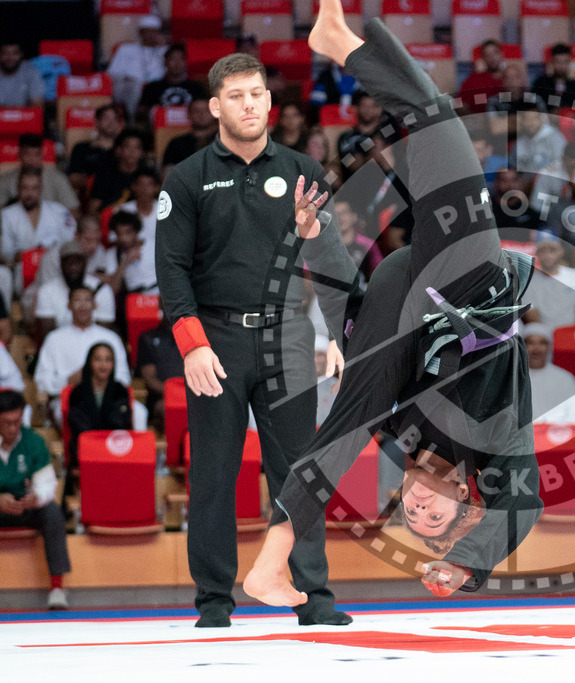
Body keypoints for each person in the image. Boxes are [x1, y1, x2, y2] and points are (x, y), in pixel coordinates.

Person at [243, 7, 541, 604]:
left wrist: (316, 233)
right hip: (468, 289)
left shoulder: (396, 437)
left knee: (351, 412)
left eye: (411, 513)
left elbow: (348, 317)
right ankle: (342, 43)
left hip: (398, 313)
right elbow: (524, 503)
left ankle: (269, 565)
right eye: (435, 517)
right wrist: (468, 561)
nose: (419, 505)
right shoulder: (493, 446)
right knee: (437, 124)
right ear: (463, 496)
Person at [155, 49, 356, 627]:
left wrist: (342, 328)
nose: (250, 104)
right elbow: (171, 268)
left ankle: (315, 599)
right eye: (237, 95)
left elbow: (330, 256)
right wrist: (191, 343)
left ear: (271, 100)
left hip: (289, 334)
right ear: (216, 106)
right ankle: (215, 603)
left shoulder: (303, 170)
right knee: (213, 474)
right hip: (215, 339)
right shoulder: (187, 176)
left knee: (299, 471)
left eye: (258, 94)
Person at [0, 390, 69, 610]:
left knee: (53, 512)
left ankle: (57, 588)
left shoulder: (34, 442)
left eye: (17, 422)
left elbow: (47, 484)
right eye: (6, 423)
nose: (12, 428)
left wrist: (35, 497)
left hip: (26, 506)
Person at [34, 287, 131, 426]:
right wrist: (68, 380)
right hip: (69, 398)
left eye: (87, 300)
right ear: (68, 305)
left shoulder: (111, 338)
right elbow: (42, 380)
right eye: (77, 300)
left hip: (108, 397)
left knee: (138, 412)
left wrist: (100, 379)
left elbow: (124, 377)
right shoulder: (54, 339)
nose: (83, 306)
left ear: (95, 305)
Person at [66, 342, 133, 467]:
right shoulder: (77, 392)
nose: (103, 365)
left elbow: (122, 424)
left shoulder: (120, 391)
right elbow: (78, 425)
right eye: (98, 359)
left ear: (113, 364)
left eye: (108, 360)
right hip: (86, 450)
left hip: (114, 451)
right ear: (90, 363)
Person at [35, 241, 117, 341]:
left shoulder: (102, 290)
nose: (73, 267)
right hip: (60, 349)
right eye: (68, 262)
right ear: (61, 264)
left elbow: (103, 335)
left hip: (95, 350)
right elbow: (48, 336)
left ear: (85, 262)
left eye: (77, 262)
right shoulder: (47, 291)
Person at [0, 167, 76, 265]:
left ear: (41, 189)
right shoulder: (6, 215)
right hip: (22, 270)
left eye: (34, 188)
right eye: (25, 188)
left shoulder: (59, 211)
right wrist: (30, 254)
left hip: (55, 268)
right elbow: (6, 252)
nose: (29, 193)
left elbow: (70, 242)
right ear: (18, 189)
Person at [521, 233, 575, 327]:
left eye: (552, 250)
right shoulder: (528, 281)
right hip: (543, 335)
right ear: (536, 253)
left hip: (570, 331)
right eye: (542, 251)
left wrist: (574, 334)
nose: (547, 255)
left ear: (561, 251)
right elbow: (533, 316)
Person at [523, 324, 575, 423]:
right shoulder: (511, 378)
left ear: (549, 347)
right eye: (531, 343)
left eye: (542, 343)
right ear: (522, 347)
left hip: (558, 435)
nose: (536, 349)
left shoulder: (565, 378)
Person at [106, 15, 168, 118]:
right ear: (141, 33)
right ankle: (132, 120)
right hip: (130, 87)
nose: (152, 35)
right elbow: (112, 74)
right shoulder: (125, 49)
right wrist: (131, 80)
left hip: (155, 87)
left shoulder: (165, 51)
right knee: (134, 87)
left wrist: (163, 49)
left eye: (155, 32)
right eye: (148, 32)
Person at [0, 134, 79, 212]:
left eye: (36, 155)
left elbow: (72, 209)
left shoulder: (57, 178)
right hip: (15, 223)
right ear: (19, 155)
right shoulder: (5, 180)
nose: (32, 159)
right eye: (27, 154)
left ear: (41, 155)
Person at [135, 316, 183, 432]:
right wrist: (175, 394)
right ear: (162, 307)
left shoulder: (197, 336)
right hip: (160, 397)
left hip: (192, 396)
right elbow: (149, 379)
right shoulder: (148, 338)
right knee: (165, 408)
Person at [138, 43, 207, 123]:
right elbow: (141, 113)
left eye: (181, 59)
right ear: (165, 62)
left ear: (186, 63)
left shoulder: (196, 87)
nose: (177, 63)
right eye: (173, 59)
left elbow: (204, 111)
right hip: (160, 129)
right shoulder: (152, 87)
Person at [67, 105, 123, 196]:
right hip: (89, 195)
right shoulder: (81, 148)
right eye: (106, 118)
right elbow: (73, 177)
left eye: (115, 119)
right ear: (97, 122)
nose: (111, 122)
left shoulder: (124, 151)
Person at [88, 129, 149, 213]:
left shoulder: (147, 176)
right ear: (118, 150)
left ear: (142, 153)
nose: (132, 152)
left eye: (137, 148)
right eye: (127, 147)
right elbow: (93, 208)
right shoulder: (105, 175)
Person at [531, 43, 575, 108]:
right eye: (558, 61)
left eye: (565, 61)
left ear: (570, 62)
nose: (562, 66)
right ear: (552, 62)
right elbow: (530, 103)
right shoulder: (541, 83)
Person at [509, 103, 567, 176]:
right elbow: (513, 167)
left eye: (534, 118)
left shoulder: (555, 137)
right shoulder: (520, 142)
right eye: (526, 119)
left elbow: (563, 163)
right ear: (522, 121)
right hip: (526, 182)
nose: (531, 123)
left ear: (541, 119)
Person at [162, 98, 217, 170]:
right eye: (196, 111)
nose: (202, 114)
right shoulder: (177, 143)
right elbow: (166, 174)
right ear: (188, 115)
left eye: (207, 110)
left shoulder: (225, 141)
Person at [335, 90, 385, 160]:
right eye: (364, 105)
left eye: (372, 106)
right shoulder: (346, 137)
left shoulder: (386, 132)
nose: (368, 110)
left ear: (378, 109)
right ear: (356, 108)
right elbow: (350, 165)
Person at [457, 40, 505, 113]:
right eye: (487, 55)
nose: (492, 58)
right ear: (483, 58)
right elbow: (460, 104)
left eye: (495, 53)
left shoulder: (511, 79)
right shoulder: (474, 80)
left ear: (501, 54)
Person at [0, 43, 44, 107]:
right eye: (5, 53)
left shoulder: (31, 71)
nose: (10, 57)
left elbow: (38, 105)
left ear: (21, 55)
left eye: (14, 53)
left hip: (25, 115)